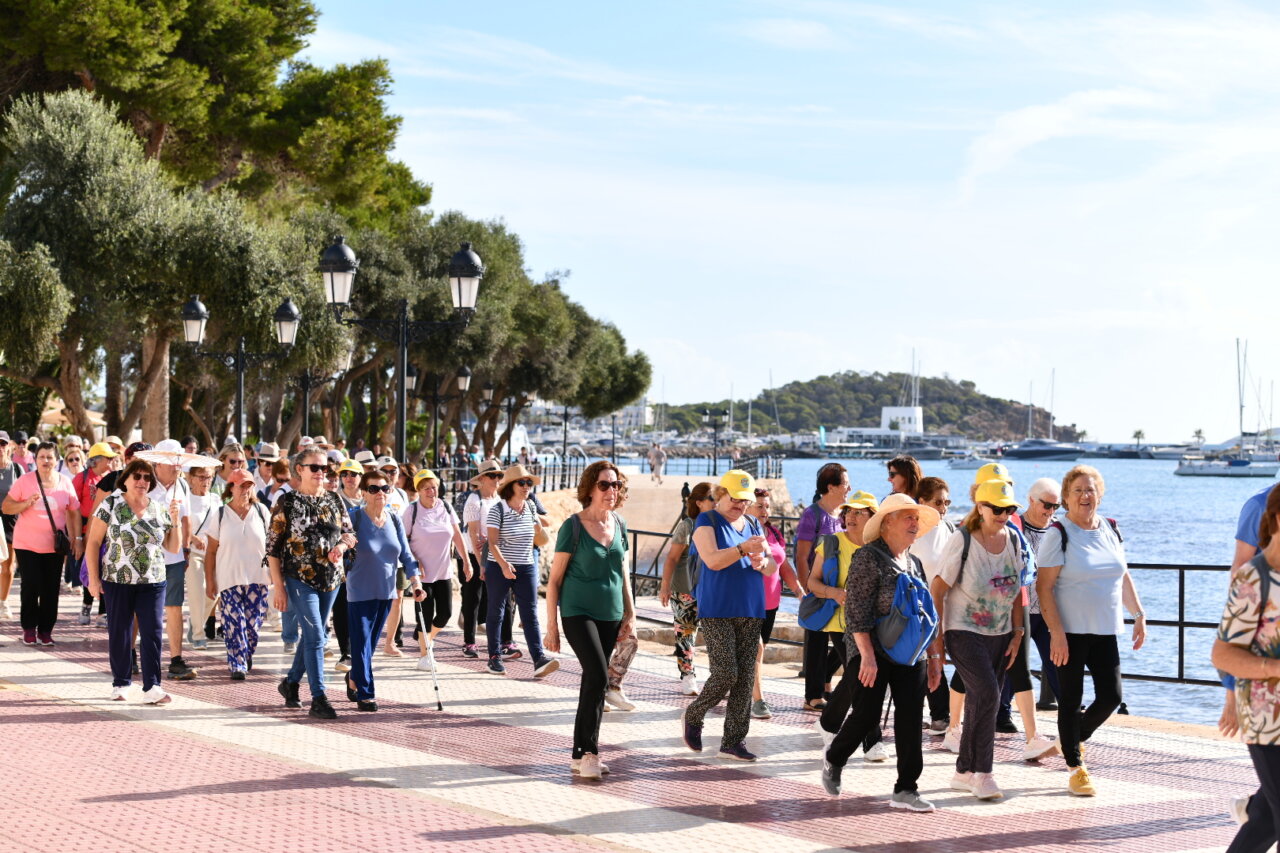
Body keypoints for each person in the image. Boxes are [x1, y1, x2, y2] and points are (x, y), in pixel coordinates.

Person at [820, 494, 940, 812]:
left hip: (909, 653)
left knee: (912, 718)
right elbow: (856, 611)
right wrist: (867, 656)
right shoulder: (867, 557)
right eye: (908, 517)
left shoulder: (913, 563)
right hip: (870, 648)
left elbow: (923, 613)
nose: (915, 523)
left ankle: (906, 788)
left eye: (917, 518)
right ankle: (835, 756)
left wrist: (933, 657)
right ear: (888, 522)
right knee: (868, 715)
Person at [1036, 464, 1146, 797]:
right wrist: (1056, 633)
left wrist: (1138, 614)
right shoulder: (1059, 533)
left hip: (1104, 629)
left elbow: (1123, 575)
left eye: (1091, 489)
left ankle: (1071, 739)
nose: (1086, 496)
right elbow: (1044, 588)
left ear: (1099, 494)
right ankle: (1075, 767)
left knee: (1111, 696)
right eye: (1078, 490)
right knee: (1070, 700)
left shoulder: (1110, 528)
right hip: (1069, 632)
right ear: (1067, 497)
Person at [928, 479, 1029, 800]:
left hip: (1001, 635)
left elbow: (1015, 590)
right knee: (987, 693)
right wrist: (938, 641)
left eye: (1009, 509)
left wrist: (1018, 632)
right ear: (980, 507)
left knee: (981, 699)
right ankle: (984, 773)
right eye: (997, 509)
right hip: (963, 631)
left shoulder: (1014, 538)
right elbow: (938, 590)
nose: (1004, 514)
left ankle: (963, 771)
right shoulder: (963, 540)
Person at [544, 461, 635, 778]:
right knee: (597, 676)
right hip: (577, 612)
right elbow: (554, 581)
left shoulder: (620, 524)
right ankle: (590, 753)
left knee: (593, 683)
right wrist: (552, 627)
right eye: (604, 484)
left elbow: (623, 573)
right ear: (590, 488)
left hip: (611, 614)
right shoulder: (574, 526)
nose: (612, 490)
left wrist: (630, 613)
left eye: (616, 485)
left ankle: (577, 753)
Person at [681, 469, 775, 762]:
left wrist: (762, 561)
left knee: (746, 678)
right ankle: (695, 714)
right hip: (718, 608)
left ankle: (733, 741)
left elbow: (772, 568)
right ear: (721, 495)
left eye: (745, 500)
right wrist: (742, 549)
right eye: (735, 499)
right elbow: (713, 560)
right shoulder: (706, 521)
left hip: (750, 607)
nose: (741, 505)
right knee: (726, 673)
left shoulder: (752, 523)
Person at [1213, 484, 1280, 853]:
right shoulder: (1254, 579)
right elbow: (1223, 653)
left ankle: (1254, 808)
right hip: (1266, 716)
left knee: (1268, 817)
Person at [267, 448, 356, 720]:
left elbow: (350, 534)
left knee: (312, 636)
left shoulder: (334, 499)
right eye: (314, 468)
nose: (321, 473)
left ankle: (291, 683)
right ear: (299, 470)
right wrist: (279, 587)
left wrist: (340, 546)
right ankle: (319, 697)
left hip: (331, 579)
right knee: (317, 635)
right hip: (299, 578)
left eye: (324, 468)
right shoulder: (287, 502)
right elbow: (271, 549)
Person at [84, 458, 181, 703]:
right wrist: (93, 580)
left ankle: (152, 686)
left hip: (153, 580)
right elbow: (94, 542)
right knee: (121, 632)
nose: (142, 481)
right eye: (137, 476)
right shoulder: (111, 504)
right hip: (117, 579)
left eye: (147, 477)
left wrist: (176, 521)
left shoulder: (159, 508)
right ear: (125, 479)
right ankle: (121, 683)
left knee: (153, 633)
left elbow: (173, 546)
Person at [813, 492, 888, 760]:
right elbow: (813, 582)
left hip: (874, 625)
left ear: (873, 518)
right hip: (841, 623)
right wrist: (833, 593)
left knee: (856, 678)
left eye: (859, 512)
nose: (851, 517)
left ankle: (829, 721)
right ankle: (872, 741)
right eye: (848, 512)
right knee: (864, 679)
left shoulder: (882, 547)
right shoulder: (831, 543)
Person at [343, 469, 424, 711]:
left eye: (384, 488)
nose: (380, 493)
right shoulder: (353, 517)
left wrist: (416, 581)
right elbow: (341, 547)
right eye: (373, 488)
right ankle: (367, 694)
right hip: (358, 591)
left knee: (368, 645)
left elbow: (406, 555)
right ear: (364, 493)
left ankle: (353, 677)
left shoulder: (394, 519)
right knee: (360, 645)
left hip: (386, 592)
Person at [2, 441, 82, 645]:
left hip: (54, 546)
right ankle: (29, 628)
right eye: (41, 457)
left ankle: (45, 630)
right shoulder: (25, 481)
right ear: (35, 459)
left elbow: (74, 512)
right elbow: (7, 507)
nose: (45, 461)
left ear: (57, 460)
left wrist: (77, 539)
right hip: (26, 544)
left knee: (51, 588)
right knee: (31, 586)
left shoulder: (65, 482)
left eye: (49, 457)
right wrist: (25, 503)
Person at [484, 464, 558, 677]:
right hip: (499, 567)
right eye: (522, 483)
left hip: (526, 566)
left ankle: (538, 659)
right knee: (496, 612)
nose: (527, 487)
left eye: (529, 483)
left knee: (530, 613)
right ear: (510, 486)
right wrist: (504, 564)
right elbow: (492, 542)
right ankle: (494, 657)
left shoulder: (531, 507)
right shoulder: (497, 509)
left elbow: (538, 534)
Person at [203, 468, 271, 679]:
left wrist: (278, 578)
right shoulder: (221, 514)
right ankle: (237, 664)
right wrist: (209, 580)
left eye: (249, 485)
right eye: (242, 485)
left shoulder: (261, 512)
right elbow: (211, 551)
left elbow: (273, 547)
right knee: (234, 624)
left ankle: (245, 653)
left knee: (252, 627)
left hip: (258, 580)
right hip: (229, 579)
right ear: (231, 487)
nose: (246, 489)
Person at [795, 462, 851, 712]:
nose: (850, 487)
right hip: (818, 588)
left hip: (840, 591)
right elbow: (801, 554)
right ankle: (813, 695)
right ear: (831, 487)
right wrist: (807, 586)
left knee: (844, 641)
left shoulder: (842, 517)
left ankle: (826, 681)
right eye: (846, 483)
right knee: (817, 642)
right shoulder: (813, 515)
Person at [403, 468, 468, 670]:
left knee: (445, 614)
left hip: (444, 571)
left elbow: (457, 535)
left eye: (433, 487)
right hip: (421, 576)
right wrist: (414, 560)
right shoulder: (411, 511)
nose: (431, 491)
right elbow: (403, 542)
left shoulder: (446, 507)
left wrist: (466, 561)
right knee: (425, 614)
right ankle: (425, 656)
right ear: (419, 490)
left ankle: (426, 638)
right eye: (426, 488)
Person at [747, 487, 803, 719]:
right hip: (748, 602)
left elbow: (784, 566)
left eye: (767, 506)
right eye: (759, 505)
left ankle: (743, 688)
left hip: (771, 604)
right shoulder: (742, 534)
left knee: (758, 651)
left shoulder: (774, 533)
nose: (765, 510)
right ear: (747, 507)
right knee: (756, 649)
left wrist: (799, 591)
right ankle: (757, 700)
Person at [658, 481, 714, 695]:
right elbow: (671, 558)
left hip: (710, 590)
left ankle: (719, 677)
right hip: (685, 590)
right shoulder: (687, 526)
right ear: (699, 503)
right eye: (712, 499)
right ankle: (688, 676)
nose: (716, 502)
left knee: (715, 634)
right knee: (685, 635)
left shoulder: (717, 526)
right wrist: (664, 586)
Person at [147, 439, 196, 680]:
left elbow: (187, 519)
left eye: (179, 461)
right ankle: (134, 655)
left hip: (174, 557)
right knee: (141, 609)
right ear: (158, 461)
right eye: (172, 461)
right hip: (146, 558)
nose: (177, 466)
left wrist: (185, 548)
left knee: (175, 607)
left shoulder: (182, 487)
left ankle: (176, 659)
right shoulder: (144, 483)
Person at [910, 476, 956, 732]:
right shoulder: (913, 530)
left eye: (947, 502)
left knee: (939, 661)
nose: (944, 507)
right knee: (928, 660)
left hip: (947, 608)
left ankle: (944, 715)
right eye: (938, 502)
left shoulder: (949, 529)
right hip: (917, 609)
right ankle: (940, 715)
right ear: (922, 502)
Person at [1021, 477, 1064, 715]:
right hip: (1020, 609)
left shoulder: (1059, 530)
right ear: (1030, 500)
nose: (1050, 511)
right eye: (1046, 505)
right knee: (1013, 665)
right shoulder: (1016, 526)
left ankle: (1070, 712)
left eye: (1055, 506)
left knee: (1057, 663)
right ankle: (1002, 714)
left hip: (1048, 610)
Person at [462, 459, 513, 659]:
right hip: (477, 556)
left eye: (499, 475)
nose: (497, 479)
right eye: (492, 476)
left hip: (498, 555)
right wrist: (481, 564)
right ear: (481, 479)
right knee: (473, 598)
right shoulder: (474, 501)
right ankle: (469, 642)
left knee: (504, 598)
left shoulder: (502, 500)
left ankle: (507, 641)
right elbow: (474, 536)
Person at [72, 442, 117, 626]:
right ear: (97, 460)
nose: (112, 462)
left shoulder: (113, 478)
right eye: (109, 458)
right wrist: (78, 538)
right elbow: (72, 508)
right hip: (86, 530)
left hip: (107, 532)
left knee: (105, 570)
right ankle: (86, 604)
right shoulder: (82, 478)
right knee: (88, 569)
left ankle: (102, 613)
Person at [331, 458, 364, 671]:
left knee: (362, 607)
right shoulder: (334, 499)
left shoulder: (370, 498)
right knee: (342, 606)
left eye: (353, 474)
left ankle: (361, 650)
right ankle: (346, 652)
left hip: (367, 563)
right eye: (344, 474)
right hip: (342, 561)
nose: (349, 478)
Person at [185, 461, 218, 649]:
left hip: (214, 553)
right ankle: (198, 634)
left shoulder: (215, 499)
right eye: (202, 477)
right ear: (191, 479)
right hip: (193, 552)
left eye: (209, 477)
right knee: (198, 592)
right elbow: (178, 526)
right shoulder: (186, 499)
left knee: (215, 593)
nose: (206, 481)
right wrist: (193, 538)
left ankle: (195, 623)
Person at [0, 437, 24, 620]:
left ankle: (3, 602)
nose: (0, 448)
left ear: (9, 447)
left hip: (10, 520)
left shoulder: (16, 469)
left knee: (8, 565)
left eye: (2, 444)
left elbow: (24, 495)